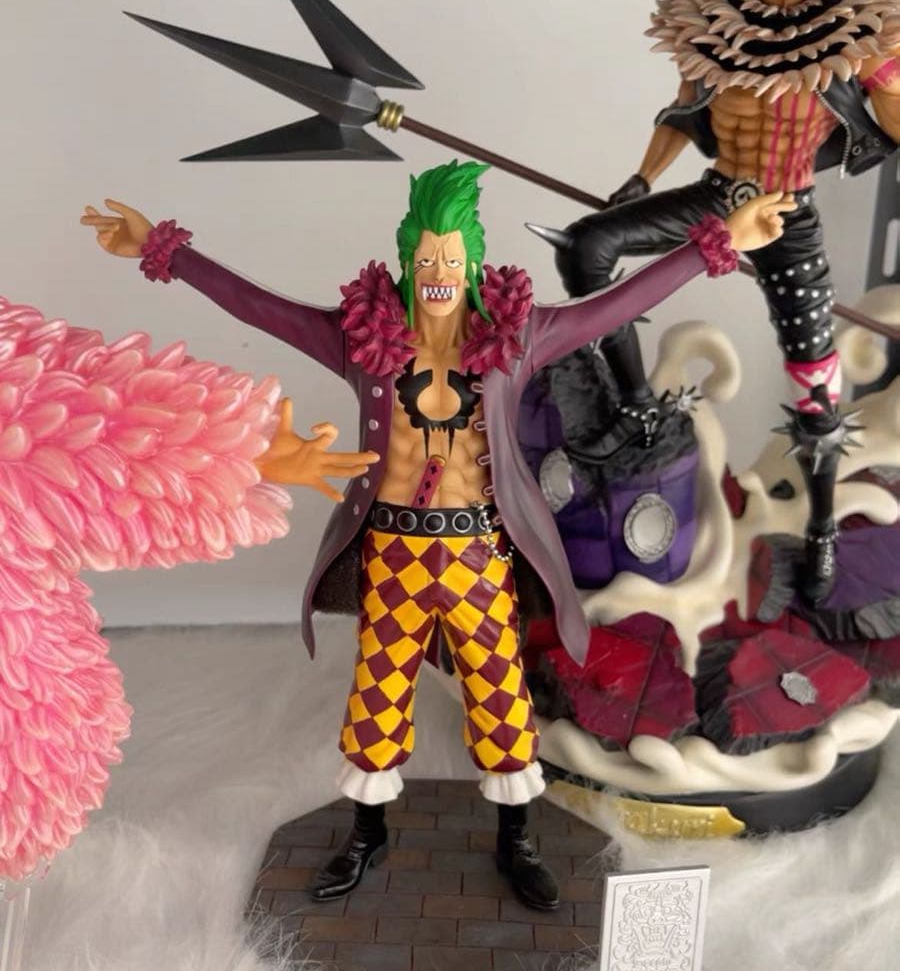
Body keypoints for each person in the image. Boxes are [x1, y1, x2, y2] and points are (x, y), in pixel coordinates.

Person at [82, 159, 792, 910]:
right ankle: (368, 833)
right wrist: (163, 251)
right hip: (393, 549)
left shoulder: (520, 337)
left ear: (474, 263)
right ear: (406, 264)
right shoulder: (361, 339)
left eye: (451, 259)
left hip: (479, 552)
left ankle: (516, 837)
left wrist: (714, 243)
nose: (439, 275)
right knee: (377, 691)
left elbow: (617, 303)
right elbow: (262, 308)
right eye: (426, 261)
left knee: (500, 691)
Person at [533, 0, 900, 606]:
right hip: (718, 197)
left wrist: (883, 65)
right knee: (587, 247)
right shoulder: (711, 23)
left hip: (786, 213)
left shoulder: (852, 32)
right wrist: (642, 179)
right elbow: (682, 113)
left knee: (816, 380)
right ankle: (637, 406)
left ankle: (822, 527)